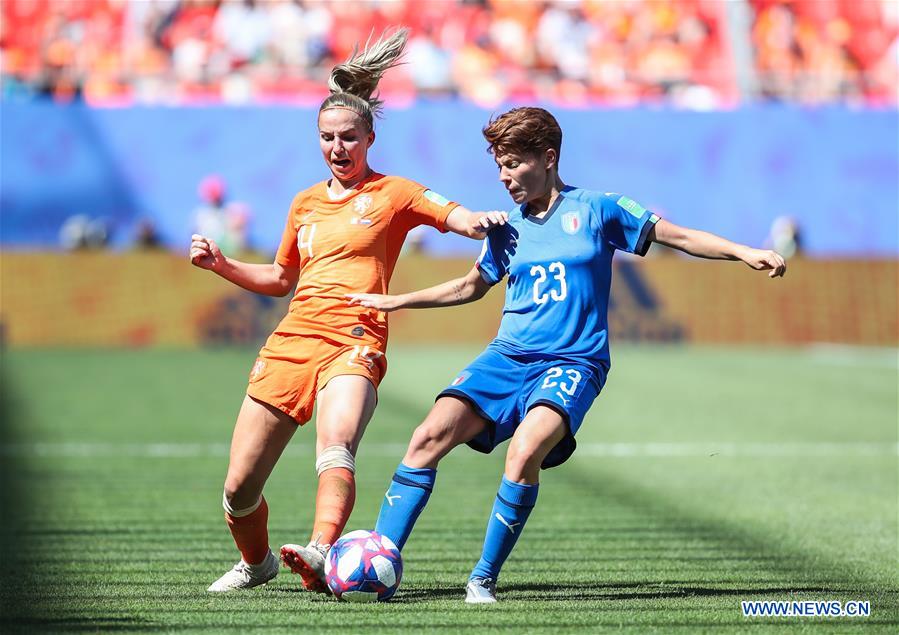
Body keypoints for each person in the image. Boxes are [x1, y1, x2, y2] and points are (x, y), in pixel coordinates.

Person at [348, 106, 786, 604]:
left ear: (549, 158)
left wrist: (744, 251)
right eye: (499, 166)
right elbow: (471, 287)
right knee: (426, 436)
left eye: (513, 163)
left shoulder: (600, 210)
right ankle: (380, 559)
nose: (504, 177)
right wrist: (397, 300)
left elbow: (680, 237)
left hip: (574, 362)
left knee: (524, 451)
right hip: (507, 357)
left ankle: (482, 579)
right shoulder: (506, 228)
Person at [189, 29, 507, 594]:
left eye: (349, 137)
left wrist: (482, 220)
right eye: (327, 138)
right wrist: (222, 264)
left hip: (354, 338)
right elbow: (282, 278)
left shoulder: (395, 193)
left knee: (337, 445)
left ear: (369, 137)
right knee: (238, 488)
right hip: (292, 342)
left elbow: (454, 214)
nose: (338, 148)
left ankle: (319, 550)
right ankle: (257, 562)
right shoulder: (305, 203)